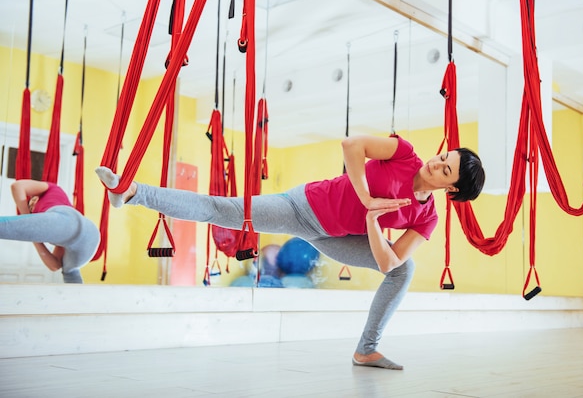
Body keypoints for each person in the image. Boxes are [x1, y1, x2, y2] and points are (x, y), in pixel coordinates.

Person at [96, 134, 485, 370]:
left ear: (450, 191)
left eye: (445, 171)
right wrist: (367, 197)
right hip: (303, 209)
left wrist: (370, 220)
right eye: (445, 157)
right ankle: (132, 193)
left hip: (336, 237)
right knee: (225, 209)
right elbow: (351, 146)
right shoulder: (404, 154)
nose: (437, 163)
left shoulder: (426, 217)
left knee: (405, 268)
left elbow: (389, 262)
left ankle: (366, 351)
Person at [1, 179, 100, 283]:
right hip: (89, 238)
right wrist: (35, 239)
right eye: (30, 208)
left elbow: (17, 186)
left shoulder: (52, 189)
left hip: (70, 221)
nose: (32, 205)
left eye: (32, 200)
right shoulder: (60, 233)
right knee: (69, 271)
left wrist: (26, 216)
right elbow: (55, 265)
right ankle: (77, 298)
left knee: (6, 226)